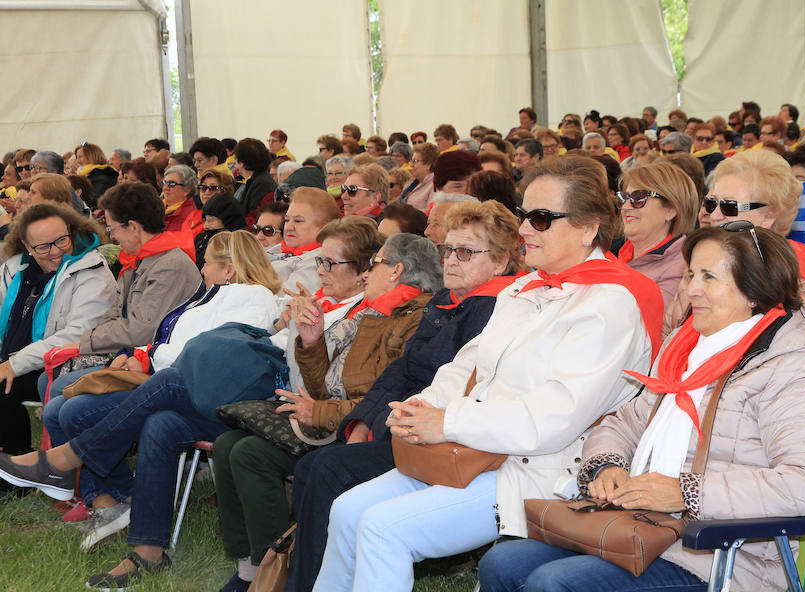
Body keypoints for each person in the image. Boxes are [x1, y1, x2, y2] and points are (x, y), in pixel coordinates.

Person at [311, 155, 665, 592]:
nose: (523, 230)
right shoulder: (525, 286)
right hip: (472, 450)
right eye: (523, 215)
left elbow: (554, 419)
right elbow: (467, 364)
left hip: (539, 472)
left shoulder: (612, 302)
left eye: (541, 218)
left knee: (384, 529)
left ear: (589, 227)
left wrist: (446, 422)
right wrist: (424, 405)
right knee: (347, 511)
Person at [479, 224, 805, 592]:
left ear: (754, 290)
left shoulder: (793, 364)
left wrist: (687, 492)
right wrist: (608, 466)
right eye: (690, 274)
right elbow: (624, 423)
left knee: (555, 583)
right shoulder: (688, 346)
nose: (690, 290)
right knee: (503, 562)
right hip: (644, 530)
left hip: (723, 558)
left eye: (708, 277)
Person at [1, 229, 282, 588]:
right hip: (176, 392)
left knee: (150, 389)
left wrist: (150, 359)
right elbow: (175, 346)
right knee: (151, 423)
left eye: (208, 262)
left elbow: (212, 360)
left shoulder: (254, 298)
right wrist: (139, 357)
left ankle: (64, 462)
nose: (202, 268)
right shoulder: (212, 298)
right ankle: (146, 551)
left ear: (229, 269)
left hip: (221, 404)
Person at [283, 199, 523, 592]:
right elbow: (401, 370)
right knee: (316, 466)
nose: (451, 260)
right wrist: (360, 422)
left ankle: (304, 585)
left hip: (439, 438)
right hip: (398, 424)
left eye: (466, 252)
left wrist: (373, 425)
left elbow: (446, 387)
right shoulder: (448, 302)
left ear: (499, 263)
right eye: (449, 250)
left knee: (324, 469)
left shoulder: (493, 310)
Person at [214, 232, 442, 592]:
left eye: (376, 263)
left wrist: (319, 412)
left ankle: (277, 565)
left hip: (355, 430)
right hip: (337, 422)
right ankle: (254, 566)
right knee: (228, 443)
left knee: (249, 454)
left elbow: (381, 397)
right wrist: (311, 339)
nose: (368, 273)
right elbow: (327, 387)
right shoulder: (372, 312)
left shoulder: (410, 318)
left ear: (397, 270)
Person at [670, 150, 805, 358]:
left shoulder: (795, 281)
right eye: (711, 203)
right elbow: (671, 330)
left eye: (729, 206)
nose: (714, 215)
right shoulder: (702, 262)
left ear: (768, 217)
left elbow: (785, 367)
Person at [39, 182, 201, 400]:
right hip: (128, 353)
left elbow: (142, 330)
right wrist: (91, 341)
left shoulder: (170, 264)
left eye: (112, 228)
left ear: (133, 227)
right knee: (51, 377)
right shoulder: (137, 258)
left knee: (63, 389)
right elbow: (113, 313)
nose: (112, 237)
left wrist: (87, 342)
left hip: (155, 366)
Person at [0, 203, 115, 456]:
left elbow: (79, 334)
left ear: (71, 231)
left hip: (66, 360)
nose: (56, 252)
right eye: (43, 247)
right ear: (27, 247)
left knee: (5, 389)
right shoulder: (14, 268)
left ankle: (17, 462)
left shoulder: (90, 269)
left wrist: (15, 364)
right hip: (19, 355)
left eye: (62, 240)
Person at [610, 161, 698, 308]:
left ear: (671, 209)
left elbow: (648, 323)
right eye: (624, 198)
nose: (625, 207)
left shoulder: (682, 268)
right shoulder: (607, 249)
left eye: (638, 198)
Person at [269, 188, 343, 295]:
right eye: (286, 220)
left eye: (298, 221)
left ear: (324, 228)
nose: (289, 227)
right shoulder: (277, 248)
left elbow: (285, 300)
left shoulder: (319, 262)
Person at [194, 194, 246, 269]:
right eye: (205, 220)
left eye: (211, 220)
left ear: (228, 221)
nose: (206, 226)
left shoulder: (237, 247)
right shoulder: (200, 240)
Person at [234, 138, 277, 226]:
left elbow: (254, 217)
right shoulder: (257, 180)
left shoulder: (262, 184)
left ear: (242, 162)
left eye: (236, 159)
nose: (235, 165)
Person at [75, 142, 118, 208]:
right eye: (76, 157)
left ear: (91, 156)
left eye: (80, 157)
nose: (77, 161)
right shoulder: (85, 174)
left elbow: (94, 203)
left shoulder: (102, 177)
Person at [400, 143, 439, 212]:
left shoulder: (435, 185)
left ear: (428, 164)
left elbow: (430, 214)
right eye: (411, 161)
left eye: (415, 161)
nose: (411, 165)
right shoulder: (414, 183)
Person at [161, 165, 199, 233]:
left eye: (171, 184)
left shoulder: (191, 216)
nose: (165, 188)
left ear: (187, 190)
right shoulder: (156, 207)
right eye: (164, 183)